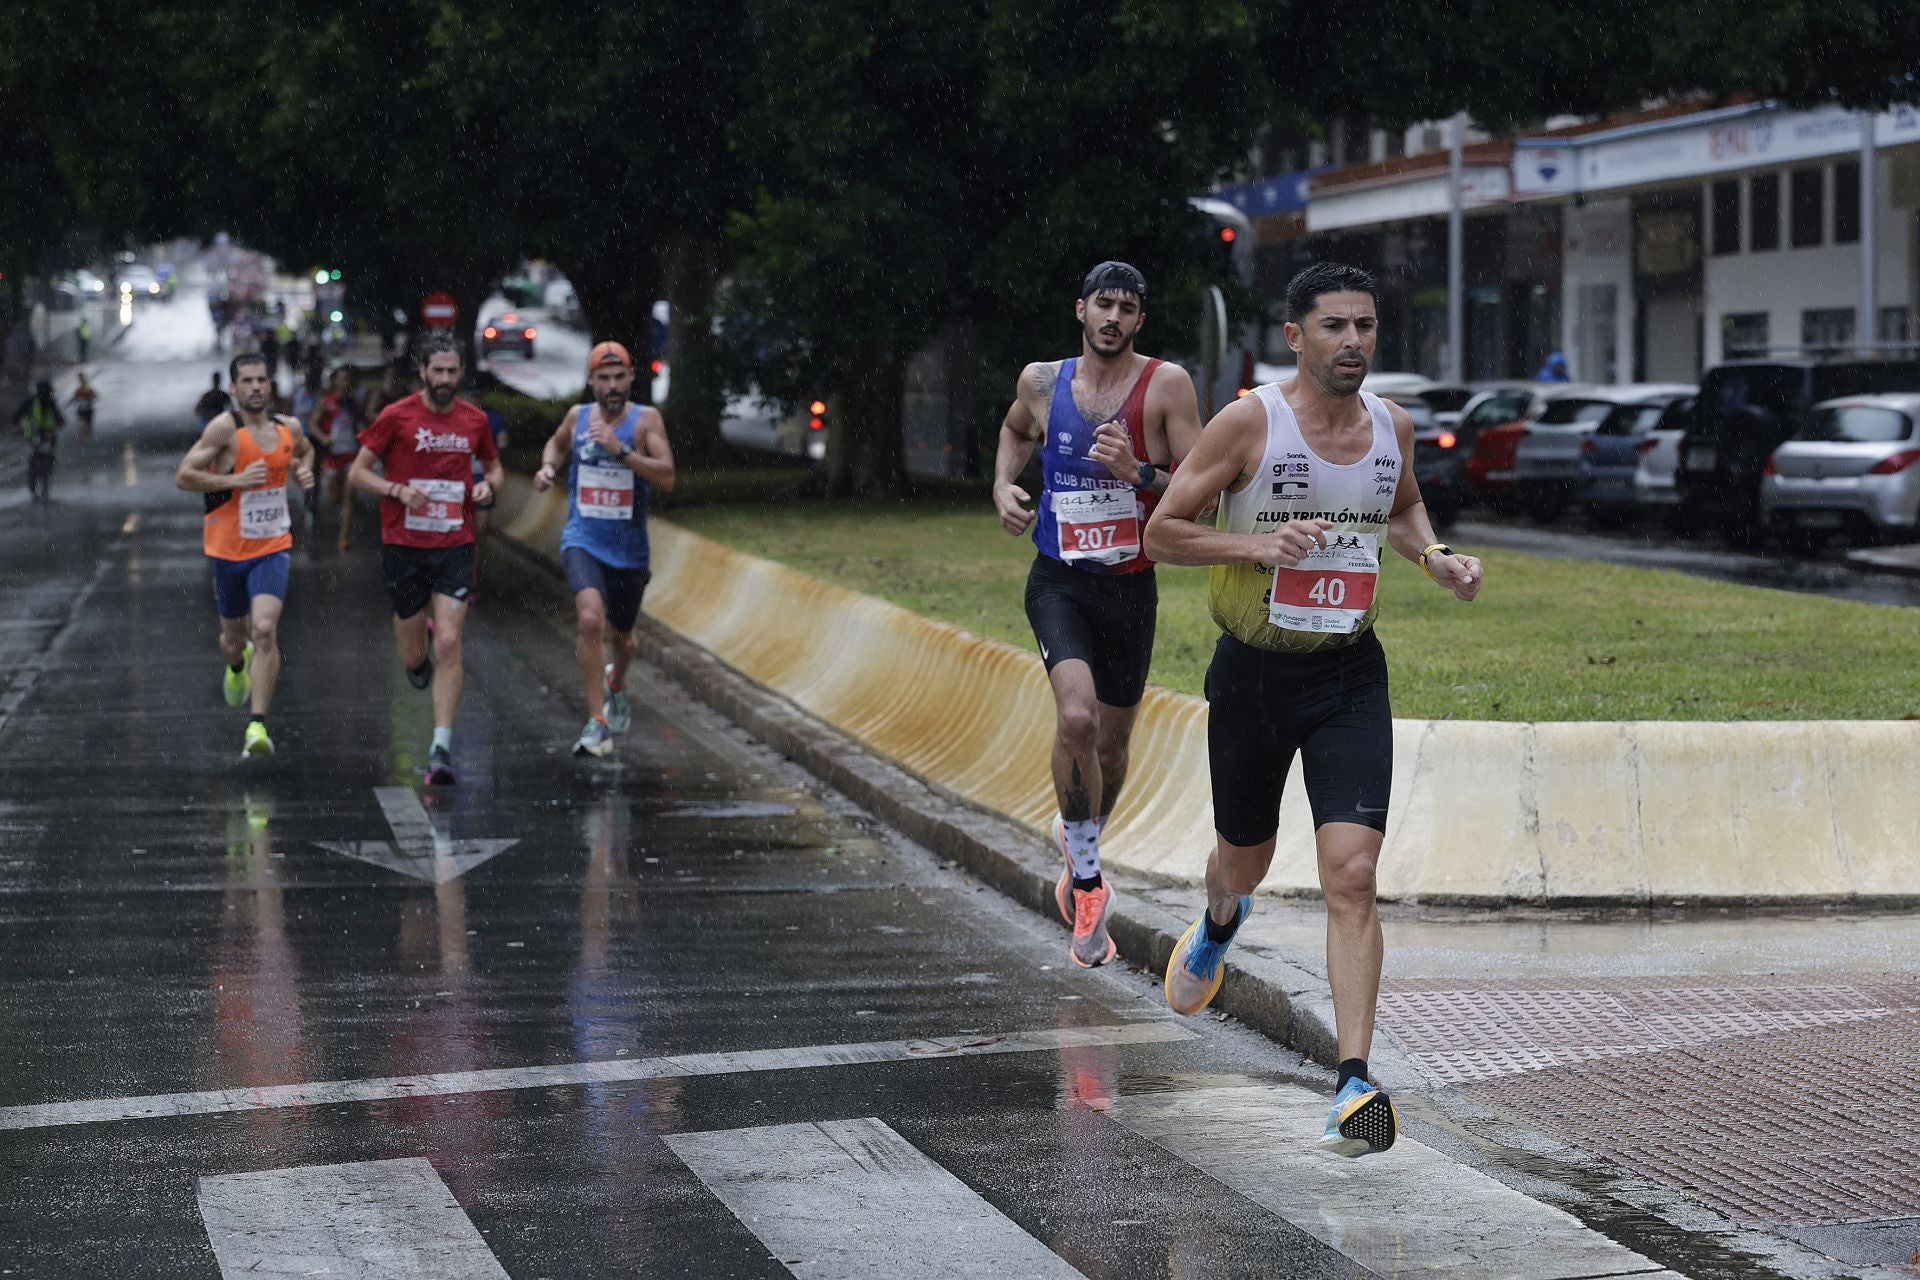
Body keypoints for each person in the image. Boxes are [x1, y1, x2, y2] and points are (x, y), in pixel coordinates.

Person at [1143, 262, 1485, 1157]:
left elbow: (1401, 505)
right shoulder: (1249, 422)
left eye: (1366, 326)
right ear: (1296, 337)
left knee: (1353, 875)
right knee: (1243, 863)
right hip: (1252, 675)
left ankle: (1353, 1079)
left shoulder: (1392, 426)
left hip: (1347, 676)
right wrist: (1253, 544)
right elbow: (1163, 530)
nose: (1354, 343)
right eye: (1334, 326)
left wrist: (1436, 556)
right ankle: (1221, 922)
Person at [990, 261, 1203, 969]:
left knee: (1110, 748)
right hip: (1058, 580)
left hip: (1130, 587)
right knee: (1075, 718)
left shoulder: (1166, 387)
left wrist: (1139, 474)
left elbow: (1203, 489)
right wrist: (1002, 486)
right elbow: (1016, 430)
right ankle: (1087, 883)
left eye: (1126, 308)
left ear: (1140, 320)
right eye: (1102, 305)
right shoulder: (1042, 382)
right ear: (1079, 310)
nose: (1112, 318)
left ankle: (1078, 837)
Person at [347, 333, 503, 786]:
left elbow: (494, 467)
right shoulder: (397, 417)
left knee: (450, 642)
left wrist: (487, 486)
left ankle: (440, 748)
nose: (445, 379)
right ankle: (417, 666)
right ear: (423, 373)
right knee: (414, 653)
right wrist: (397, 490)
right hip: (405, 545)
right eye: (438, 371)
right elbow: (357, 473)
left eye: (453, 371)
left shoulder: (473, 420)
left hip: (455, 543)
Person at [532, 342, 674, 757]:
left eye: (619, 378)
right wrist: (547, 467)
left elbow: (667, 477)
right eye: (604, 379)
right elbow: (556, 444)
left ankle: (617, 682)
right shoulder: (578, 418)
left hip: (628, 548)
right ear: (591, 381)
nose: (612, 386)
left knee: (623, 637)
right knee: (590, 618)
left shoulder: (645, 421)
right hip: (584, 538)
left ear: (631, 378)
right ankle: (598, 722)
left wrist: (622, 451)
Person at [174, 352, 317, 758]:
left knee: (266, 629)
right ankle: (237, 665)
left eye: (262, 380)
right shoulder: (224, 429)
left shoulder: (288, 427)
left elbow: (306, 452)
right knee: (234, 640)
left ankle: (257, 727)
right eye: (247, 381)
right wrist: (235, 479)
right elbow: (184, 475)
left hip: (272, 546)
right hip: (228, 551)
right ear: (234, 389)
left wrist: (305, 470)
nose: (256, 387)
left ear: (270, 386)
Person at [316, 366, 364, 549]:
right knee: (334, 496)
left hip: (351, 453)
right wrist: (323, 437)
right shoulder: (327, 402)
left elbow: (360, 424)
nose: (345, 382)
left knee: (349, 496)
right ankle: (340, 518)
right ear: (335, 381)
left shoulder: (354, 403)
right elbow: (314, 423)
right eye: (342, 378)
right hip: (333, 455)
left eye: (347, 379)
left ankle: (344, 536)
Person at [14, 380, 63, 501]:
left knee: (34, 459)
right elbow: (59, 418)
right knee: (48, 459)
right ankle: (44, 483)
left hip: (33, 437)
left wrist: (19, 425)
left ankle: (33, 484)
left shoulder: (29, 402)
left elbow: (16, 417)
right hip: (48, 436)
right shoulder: (51, 402)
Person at [67, 372, 98, 445]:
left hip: (88, 410)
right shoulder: (79, 390)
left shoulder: (88, 389)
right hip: (81, 410)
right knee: (82, 424)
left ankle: (86, 437)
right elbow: (74, 398)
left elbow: (95, 396)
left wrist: (89, 399)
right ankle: (83, 440)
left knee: (87, 426)